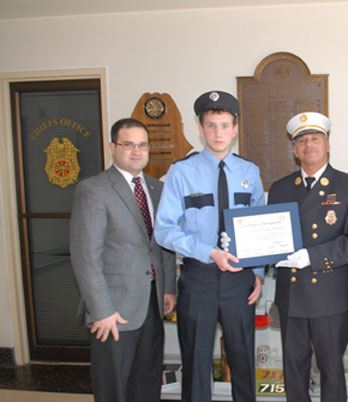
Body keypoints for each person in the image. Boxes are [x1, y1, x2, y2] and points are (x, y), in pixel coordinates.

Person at [154, 90, 264, 402]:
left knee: (243, 358)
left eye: (225, 125)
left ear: (235, 129)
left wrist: (257, 272)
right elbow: (164, 230)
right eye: (211, 126)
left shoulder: (249, 171)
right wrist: (209, 252)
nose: (218, 133)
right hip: (198, 277)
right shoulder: (181, 172)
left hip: (239, 278)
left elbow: (259, 225)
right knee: (196, 359)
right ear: (200, 129)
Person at [70, 117, 177, 402]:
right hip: (113, 311)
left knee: (147, 380)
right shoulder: (94, 189)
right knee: (114, 387)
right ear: (112, 147)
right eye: (128, 144)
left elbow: (162, 244)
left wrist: (168, 288)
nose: (137, 151)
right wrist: (101, 310)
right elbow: (85, 257)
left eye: (143, 145)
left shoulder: (156, 189)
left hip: (151, 304)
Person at [268, 112, 348, 402]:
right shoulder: (280, 188)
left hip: (329, 296)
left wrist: (311, 257)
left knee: (331, 369)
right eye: (301, 141)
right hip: (291, 295)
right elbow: (270, 236)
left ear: (327, 145)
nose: (308, 145)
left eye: (315, 139)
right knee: (294, 369)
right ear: (294, 149)